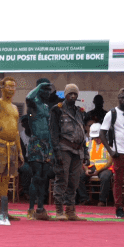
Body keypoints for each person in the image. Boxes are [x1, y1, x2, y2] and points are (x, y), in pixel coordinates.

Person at [0, 77, 24, 221]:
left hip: (12, 147)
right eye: (8, 86)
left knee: (6, 180)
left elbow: (16, 132)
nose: (11, 89)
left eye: (13, 86)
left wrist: (19, 151)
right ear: (3, 88)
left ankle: (3, 212)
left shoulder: (14, 108)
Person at [51, 84, 88, 221]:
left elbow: (82, 133)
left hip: (78, 150)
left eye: (75, 94)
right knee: (62, 179)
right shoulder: (57, 110)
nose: (73, 96)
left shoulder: (80, 111)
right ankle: (59, 210)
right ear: (65, 95)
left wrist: (86, 154)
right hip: (64, 148)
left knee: (74, 181)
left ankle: (70, 210)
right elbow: (53, 133)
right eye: (70, 94)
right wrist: (56, 153)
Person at [25, 79, 56, 220]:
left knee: (44, 178)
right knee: (36, 176)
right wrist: (39, 86)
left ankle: (41, 209)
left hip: (46, 144)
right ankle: (31, 209)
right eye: (45, 90)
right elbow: (28, 97)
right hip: (36, 143)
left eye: (49, 90)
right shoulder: (34, 103)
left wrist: (51, 149)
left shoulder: (45, 105)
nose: (48, 93)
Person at [101, 88, 124, 218]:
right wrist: (111, 151)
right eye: (121, 97)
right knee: (118, 181)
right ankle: (119, 208)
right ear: (118, 98)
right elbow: (102, 133)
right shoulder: (112, 113)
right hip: (119, 152)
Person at [85, 123, 113, 206]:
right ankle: (85, 199)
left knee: (105, 177)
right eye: (95, 137)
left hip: (105, 168)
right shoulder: (88, 144)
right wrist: (86, 169)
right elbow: (83, 159)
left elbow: (110, 162)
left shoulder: (108, 144)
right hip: (91, 167)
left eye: (98, 137)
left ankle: (102, 201)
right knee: (78, 175)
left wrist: (98, 171)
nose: (97, 139)